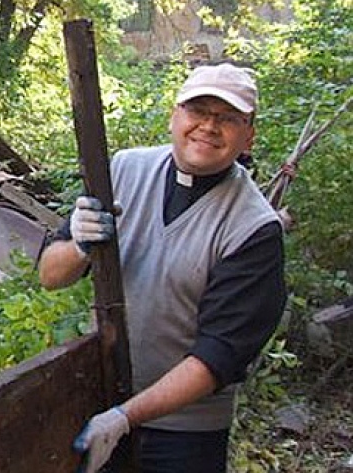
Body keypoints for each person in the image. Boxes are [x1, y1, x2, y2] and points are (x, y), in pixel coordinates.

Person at [38, 63, 287, 473]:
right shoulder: (120, 171)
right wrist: (79, 245)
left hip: (186, 435)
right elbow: (50, 276)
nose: (209, 126)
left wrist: (125, 417)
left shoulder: (253, 228)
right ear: (174, 116)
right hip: (98, 401)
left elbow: (215, 359)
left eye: (227, 118)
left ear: (248, 137)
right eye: (198, 111)